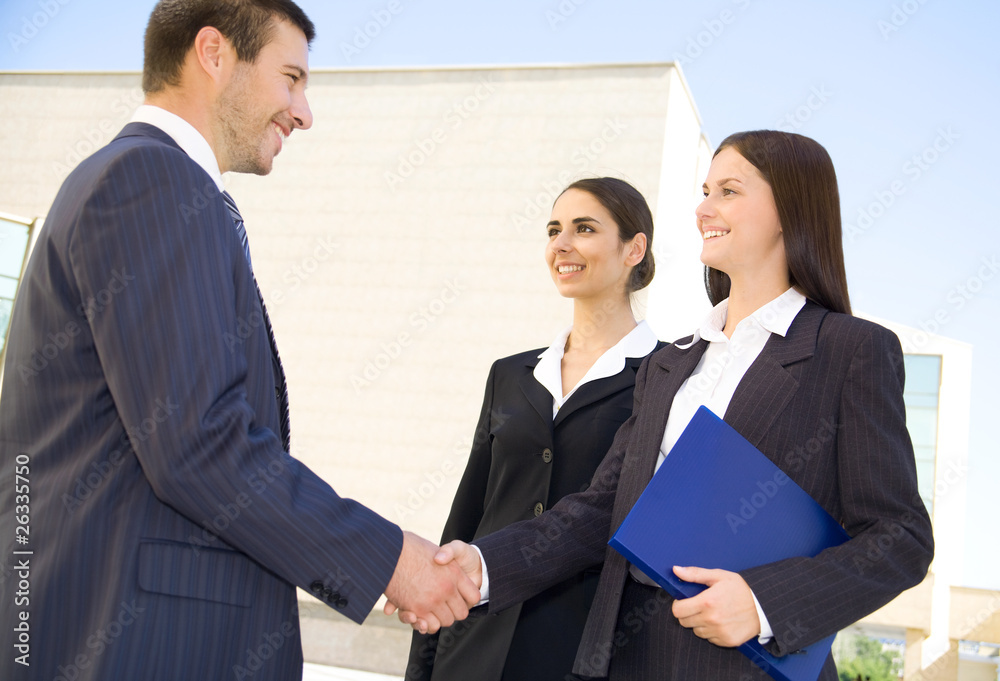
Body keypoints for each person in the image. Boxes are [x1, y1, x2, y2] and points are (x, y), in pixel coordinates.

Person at [0, 2, 476, 679]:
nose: (303, 111)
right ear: (214, 53)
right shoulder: (151, 181)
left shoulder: (137, 183)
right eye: (291, 77)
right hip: (140, 648)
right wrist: (390, 560)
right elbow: (197, 440)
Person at [401, 130, 935, 680]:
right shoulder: (672, 363)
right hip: (629, 658)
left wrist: (761, 603)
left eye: (728, 191)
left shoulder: (851, 350)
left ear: (788, 209)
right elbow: (601, 509)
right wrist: (482, 565)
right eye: (705, 191)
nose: (704, 208)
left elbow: (901, 539)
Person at [407, 178, 662, 681]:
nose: (561, 245)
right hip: (474, 645)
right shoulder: (510, 373)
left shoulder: (666, 377)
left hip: (584, 653)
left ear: (634, 248)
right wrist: (424, 663)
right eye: (554, 230)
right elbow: (467, 514)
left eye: (584, 228)